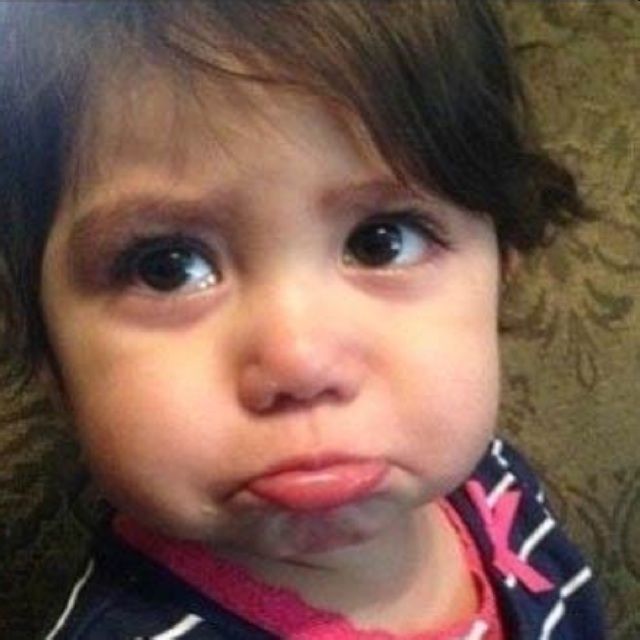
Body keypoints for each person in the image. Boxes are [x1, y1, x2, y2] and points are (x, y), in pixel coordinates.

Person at [0, 1, 605, 638]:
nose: (301, 362)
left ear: (502, 268)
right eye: (168, 268)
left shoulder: (494, 485)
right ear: (46, 354)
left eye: (382, 242)